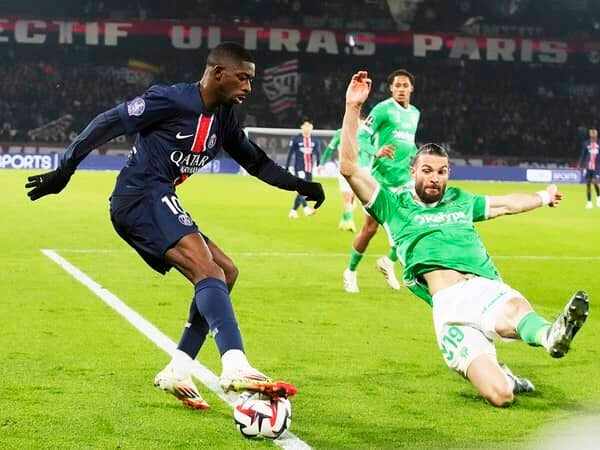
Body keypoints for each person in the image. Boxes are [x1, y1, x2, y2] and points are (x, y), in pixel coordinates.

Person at [25, 42, 325, 410]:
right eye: (243, 78)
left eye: (251, 80)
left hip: (158, 197)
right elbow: (108, 122)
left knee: (226, 271)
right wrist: (65, 168)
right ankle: (235, 364)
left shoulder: (223, 118)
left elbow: (256, 162)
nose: (249, 87)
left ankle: (179, 370)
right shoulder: (171, 99)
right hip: (138, 197)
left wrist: (300, 185)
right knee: (207, 271)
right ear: (218, 73)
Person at [339, 71, 590, 407]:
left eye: (442, 172)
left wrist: (543, 196)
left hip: (483, 286)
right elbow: (349, 168)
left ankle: (550, 334)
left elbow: (505, 204)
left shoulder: (460, 200)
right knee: (500, 395)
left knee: (513, 310)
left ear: (448, 174)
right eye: (427, 170)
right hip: (447, 308)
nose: (435, 178)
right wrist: (352, 107)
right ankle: (509, 377)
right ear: (413, 172)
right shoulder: (393, 205)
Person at [343, 69, 420, 293]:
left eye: (405, 85)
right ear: (391, 88)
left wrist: (419, 159)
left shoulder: (415, 113)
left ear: (411, 88)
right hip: (380, 181)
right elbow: (361, 136)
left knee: (411, 224)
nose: (401, 89)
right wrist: (375, 152)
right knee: (370, 229)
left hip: (405, 180)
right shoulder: (383, 109)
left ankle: (388, 262)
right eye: (397, 85)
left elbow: (410, 145)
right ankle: (350, 271)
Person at [319, 118, 365, 232]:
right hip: (344, 169)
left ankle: (344, 220)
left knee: (352, 199)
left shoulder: (363, 134)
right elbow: (330, 148)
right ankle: (350, 222)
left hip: (357, 170)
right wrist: (321, 163)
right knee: (347, 197)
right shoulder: (341, 132)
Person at [286, 118, 320, 218]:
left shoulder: (315, 140)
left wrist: (319, 163)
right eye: (306, 125)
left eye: (309, 126)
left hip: (309, 168)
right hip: (299, 167)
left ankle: (293, 211)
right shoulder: (296, 139)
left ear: (312, 127)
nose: (307, 128)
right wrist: (287, 166)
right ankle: (306, 208)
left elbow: (318, 153)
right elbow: (290, 153)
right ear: (301, 127)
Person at [578, 128, 600, 208]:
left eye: (594, 134)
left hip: (597, 167)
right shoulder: (586, 143)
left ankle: (598, 197)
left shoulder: (599, 143)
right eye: (592, 134)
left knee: (595, 182)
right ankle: (589, 202)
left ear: (596, 135)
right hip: (588, 167)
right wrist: (579, 164)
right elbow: (583, 154)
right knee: (588, 184)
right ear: (590, 135)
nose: (593, 136)